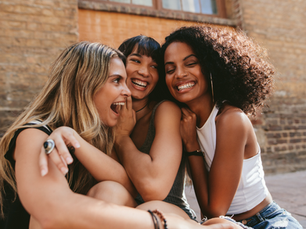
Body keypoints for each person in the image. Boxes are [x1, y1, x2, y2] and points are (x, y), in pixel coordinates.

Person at [0, 41, 237, 229]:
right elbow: (52, 212)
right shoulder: (34, 134)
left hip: (158, 207)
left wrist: (76, 138)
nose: (127, 92)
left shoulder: (89, 135)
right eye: (116, 81)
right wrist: (172, 225)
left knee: (111, 191)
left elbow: (127, 185)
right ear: (85, 84)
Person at [161, 25, 303, 229]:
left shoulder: (230, 120)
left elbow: (214, 210)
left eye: (190, 63)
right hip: (226, 224)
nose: (179, 74)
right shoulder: (186, 121)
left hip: (266, 222)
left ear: (210, 66)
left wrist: (192, 144)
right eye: (170, 69)